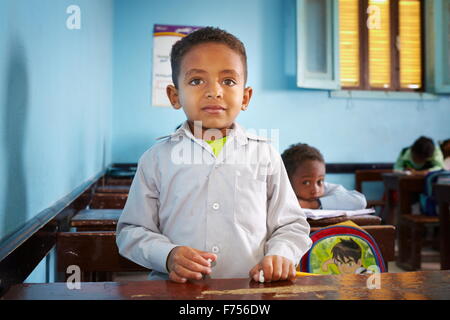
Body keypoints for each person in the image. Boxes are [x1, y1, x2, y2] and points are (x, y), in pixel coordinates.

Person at [116, 27, 312, 283]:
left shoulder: (265, 155)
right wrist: (168, 255)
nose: (214, 91)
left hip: (250, 292)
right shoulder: (156, 159)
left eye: (228, 81)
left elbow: (291, 225)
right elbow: (132, 231)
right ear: (174, 96)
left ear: (245, 96)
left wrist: (281, 253)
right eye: (197, 81)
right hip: (177, 293)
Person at [281, 143, 367, 210]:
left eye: (320, 181)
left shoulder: (327, 189)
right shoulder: (279, 191)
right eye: (306, 182)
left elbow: (360, 201)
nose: (316, 190)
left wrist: (312, 204)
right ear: (288, 180)